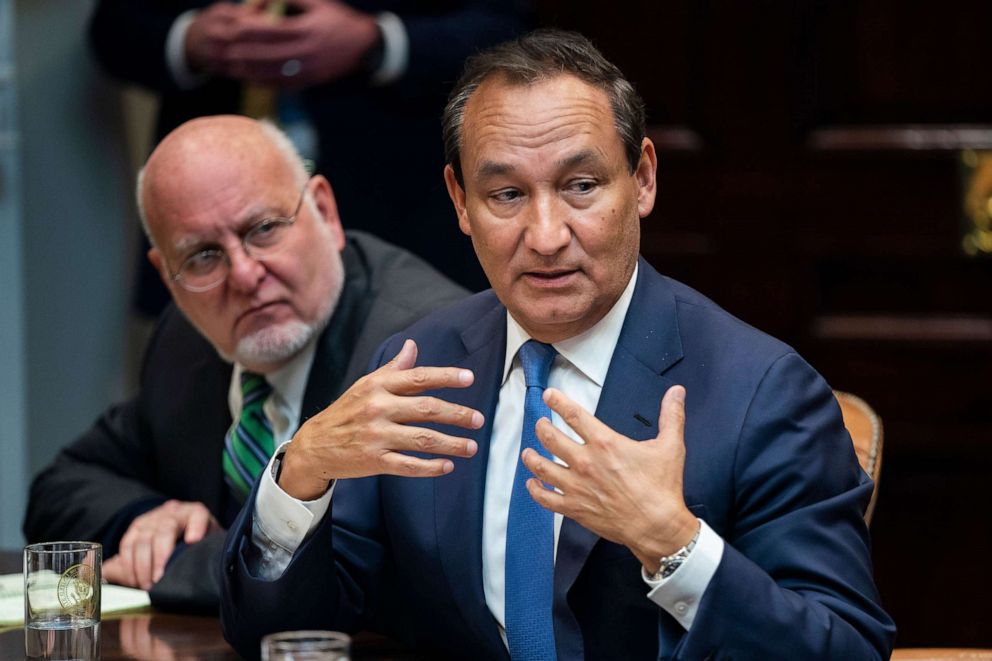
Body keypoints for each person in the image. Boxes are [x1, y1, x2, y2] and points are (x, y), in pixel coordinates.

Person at [220, 30, 896, 659]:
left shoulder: (764, 389)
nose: (545, 235)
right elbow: (284, 635)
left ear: (644, 179)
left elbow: (846, 645)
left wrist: (674, 542)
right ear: (460, 201)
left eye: (580, 186)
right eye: (507, 193)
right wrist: (299, 473)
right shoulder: (421, 365)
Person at [22, 115, 468, 613]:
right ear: (167, 278)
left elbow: (346, 573)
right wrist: (146, 519)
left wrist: (171, 560)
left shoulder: (419, 345)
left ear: (325, 211)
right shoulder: (185, 341)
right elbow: (62, 485)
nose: (244, 274)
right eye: (203, 255)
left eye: (263, 229)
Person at [89, 0, 533, 314]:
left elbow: (507, 26)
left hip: (393, 196)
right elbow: (114, 26)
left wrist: (377, 40)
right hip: (214, 197)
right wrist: (188, 39)